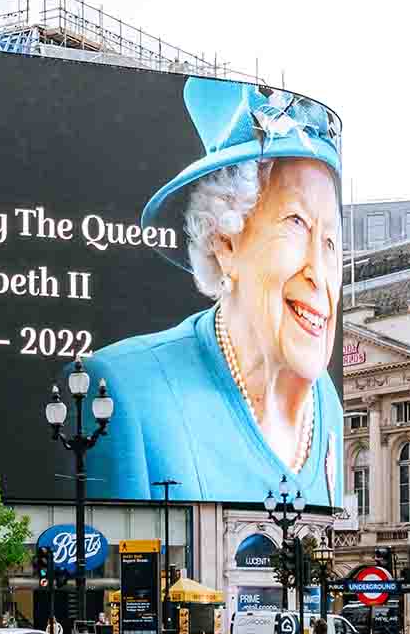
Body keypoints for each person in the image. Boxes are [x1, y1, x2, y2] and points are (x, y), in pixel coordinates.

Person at [83, 79, 345, 504]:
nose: (319, 271)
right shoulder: (122, 390)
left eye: (331, 241)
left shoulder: (327, 402)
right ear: (226, 241)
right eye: (296, 223)